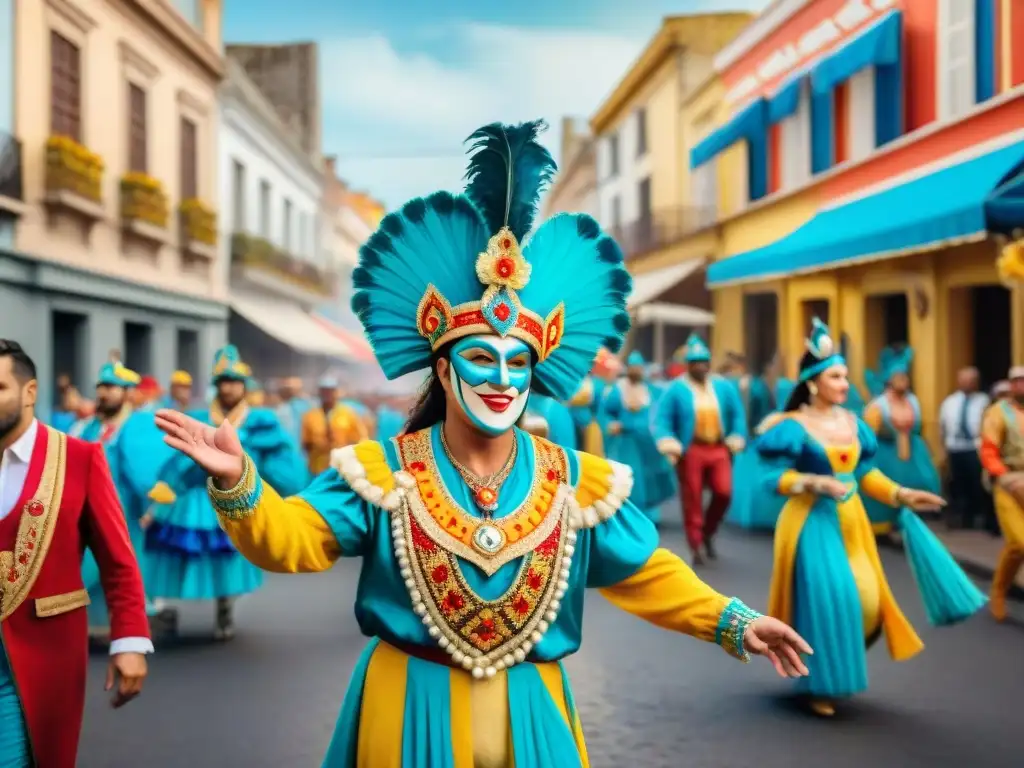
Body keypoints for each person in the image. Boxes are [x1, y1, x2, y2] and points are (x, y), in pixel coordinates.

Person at [154, 120, 810, 767]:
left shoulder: (572, 481)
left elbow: (646, 572)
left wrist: (733, 620)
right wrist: (237, 480)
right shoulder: (386, 474)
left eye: (516, 364)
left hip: (534, 709)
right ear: (443, 368)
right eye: (479, 358)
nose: (500, 379)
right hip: (406, 704)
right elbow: (288, 539)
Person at [758, 319, 984, 718]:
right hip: (810, 522)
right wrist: (813, 481)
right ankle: (820, 683)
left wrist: (900, 493)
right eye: (836, 376)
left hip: (852, 521)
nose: (845, 383)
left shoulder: (853, 423)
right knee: (832, 596)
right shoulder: (791, 427)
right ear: (813, 382)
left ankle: (833, 654)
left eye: (845, 376)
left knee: (866, 599)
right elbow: (770, 479)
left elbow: (864, 475)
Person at [0, 340, 150, 767]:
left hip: (37, 657)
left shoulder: (79, 457)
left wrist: (130, 640)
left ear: (29, 392)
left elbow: (118, 561)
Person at [141, 345, 309, 640]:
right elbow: (178, 458)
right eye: (224, 382)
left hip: (240, 492)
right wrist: (166, 490)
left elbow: (280, 461)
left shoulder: (261, 421)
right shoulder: (199, 416)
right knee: (185, 548)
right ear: (216, 386)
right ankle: (159, 607)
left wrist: (282, 487)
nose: (229, 387)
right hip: (198, 494)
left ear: (245, 386)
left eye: (235, 382)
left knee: (232, 553)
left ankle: (225, 607)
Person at [70, 362, 172, 633]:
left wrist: (153, 509)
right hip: (84, 513)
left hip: (123, 513)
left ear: (128, 392)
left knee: (116, 571)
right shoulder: (88, 427)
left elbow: (148, 473)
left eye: (111, 387)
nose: (104, 393)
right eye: (101, 387)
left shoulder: (138, 425)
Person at [653, 333, 746, 564]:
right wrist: (668, 442)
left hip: (718, 448)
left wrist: (737, 435)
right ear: (688, 365)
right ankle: (695, 544)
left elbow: (737, 415)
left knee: (724, 492)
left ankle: (708, 532)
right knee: (692, 496)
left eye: (705, 362)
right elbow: (661, 419)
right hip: (692, 449)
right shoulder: (676, 389)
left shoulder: (723, 387)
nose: (701, 367)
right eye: (696, 363)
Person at [862, 346, 942, 536]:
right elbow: (869, 432)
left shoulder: (912, 401)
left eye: (905, 378)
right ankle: (886, 522)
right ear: (890, 381)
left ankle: (911, 520)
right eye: (898, 378)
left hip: (912, 451)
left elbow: (918, 426)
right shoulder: (878, 404)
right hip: (886, 452)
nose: (903, 382)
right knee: (887, 485)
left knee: (921, 480)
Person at [603, 351, 676, 525]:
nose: (636, 371)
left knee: (650, 476)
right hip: (627, 442)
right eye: (633, 367)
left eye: (639, 368)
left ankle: (649, 513)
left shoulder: (651, 390)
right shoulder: (617, 389)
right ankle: (630, 515)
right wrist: (612, 424)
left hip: (648, 442)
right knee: (631, 477)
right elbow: (605, 413)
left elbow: (661, 412)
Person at [979, 366, 1024, 621]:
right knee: (1019, 542)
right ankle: (998, 591)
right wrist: (1003, 476)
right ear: (1010, 385)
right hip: (1006, 481)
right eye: (1017, 382)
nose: (1022, 387)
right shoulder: (998, 413)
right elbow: (988, 450)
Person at [938, 367, 991, 530]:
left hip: (975, 447)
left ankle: (976, 517)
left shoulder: (984, 400)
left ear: (976, 382)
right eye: (963, 379)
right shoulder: (950, 402)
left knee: (976, 484)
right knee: (957, 485)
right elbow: (942, 426)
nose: (967, 383)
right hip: (955, 447)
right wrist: (943, 450)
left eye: (970, 380)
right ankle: (961, 518)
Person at [302, 376, 369, 475]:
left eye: (330, 391)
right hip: (318, 469)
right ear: (319, 393)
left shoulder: (348, 414)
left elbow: (361, 439)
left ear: (336, 392)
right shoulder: (310, 415)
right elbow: (306, 443)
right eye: (324, 391)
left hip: (343, 468)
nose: (327, 394)